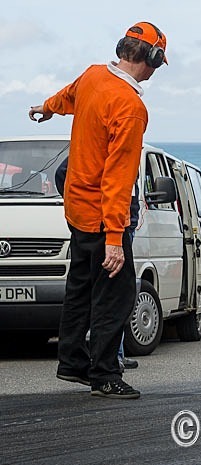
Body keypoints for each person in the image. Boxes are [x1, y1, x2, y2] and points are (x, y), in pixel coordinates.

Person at [28, 21, 168, 399]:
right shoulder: (131, 106)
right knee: (115, 298)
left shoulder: (92, 76)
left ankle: (72, 361)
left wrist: (46, 108)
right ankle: (104, 374)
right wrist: (113, 240)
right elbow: (118, 179)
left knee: (80, 289)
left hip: (76, 210)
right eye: (159, 61)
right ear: (152, 59)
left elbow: (67, 96)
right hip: (103, 217)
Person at [55, 157, 139, 370]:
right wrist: (114, 235)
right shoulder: (124, 128)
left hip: (93, 220)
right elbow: (63, 173)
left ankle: (74, 363)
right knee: (114, 295)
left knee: (84, 291)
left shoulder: (87, 136)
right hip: (107, 223)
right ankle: (105, 368)